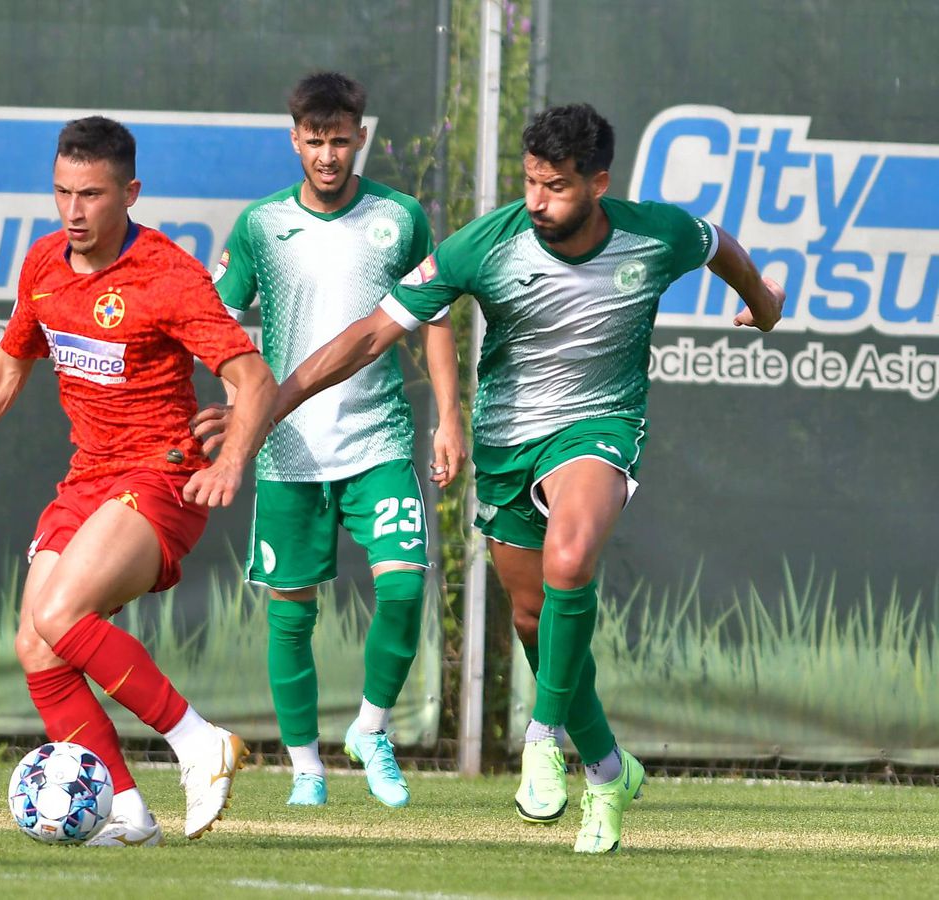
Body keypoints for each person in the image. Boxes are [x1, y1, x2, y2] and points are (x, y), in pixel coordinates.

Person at [266, 103, 785, 851]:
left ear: (599, 182)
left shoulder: (654, 234)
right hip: (508, 446)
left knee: (571, 561)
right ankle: (608, 771)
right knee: (536, 620)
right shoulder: (488, 244)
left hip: (600, 429)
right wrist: (272, 405)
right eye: (531, 183)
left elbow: (717, 244)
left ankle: (542, 740)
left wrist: (763, 305)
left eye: (558, 187)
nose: (538, 202)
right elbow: (371, 333)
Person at [0, 116, 276, 846]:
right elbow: (8, 368)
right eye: (63, 192)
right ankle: (128, 814)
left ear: (129, 192)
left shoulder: (167, 274)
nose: (74, 211)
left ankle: (201, 742)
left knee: (64, 613)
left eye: (92, 195)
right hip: (88, 479)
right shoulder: (43, 265)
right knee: (37, 644)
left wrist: (232, 461)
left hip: (162, 477)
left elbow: (251, 377)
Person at [194, 72, 466, 809]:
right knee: (292, 611)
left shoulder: (400, 218)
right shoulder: (259, 226)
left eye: (340, 140)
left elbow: (433, 316)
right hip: (287, 451)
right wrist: (238, 403)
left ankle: (371, 729)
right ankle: (306, 769)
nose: (327, 154)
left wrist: (449, 416)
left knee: (405, 587)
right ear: (295, 139)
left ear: (360, 137)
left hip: (378, 444)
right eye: (314, 141)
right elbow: (216, 324)